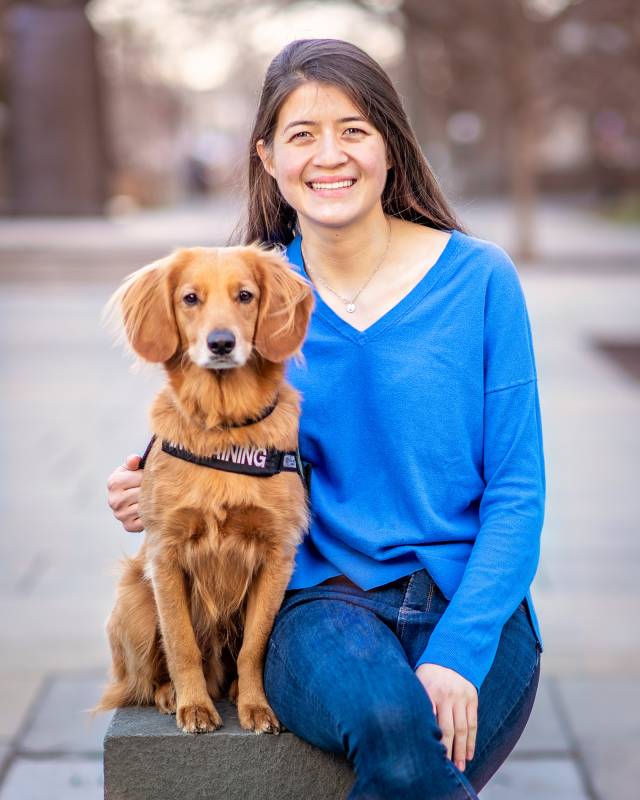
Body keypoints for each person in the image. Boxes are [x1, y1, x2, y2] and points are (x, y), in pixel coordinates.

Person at [106, 38, 545, 800]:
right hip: (320, 607)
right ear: (268, 157)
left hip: (471, 596)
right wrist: (145, 477)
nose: (329, 155)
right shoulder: (251, 291)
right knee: (396, 735)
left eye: (353, 130)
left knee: (412, 762)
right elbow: (214, 431)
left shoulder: (480, 280)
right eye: (302, 135)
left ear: (390, 148)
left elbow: (517, 491)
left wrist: (459, 651)